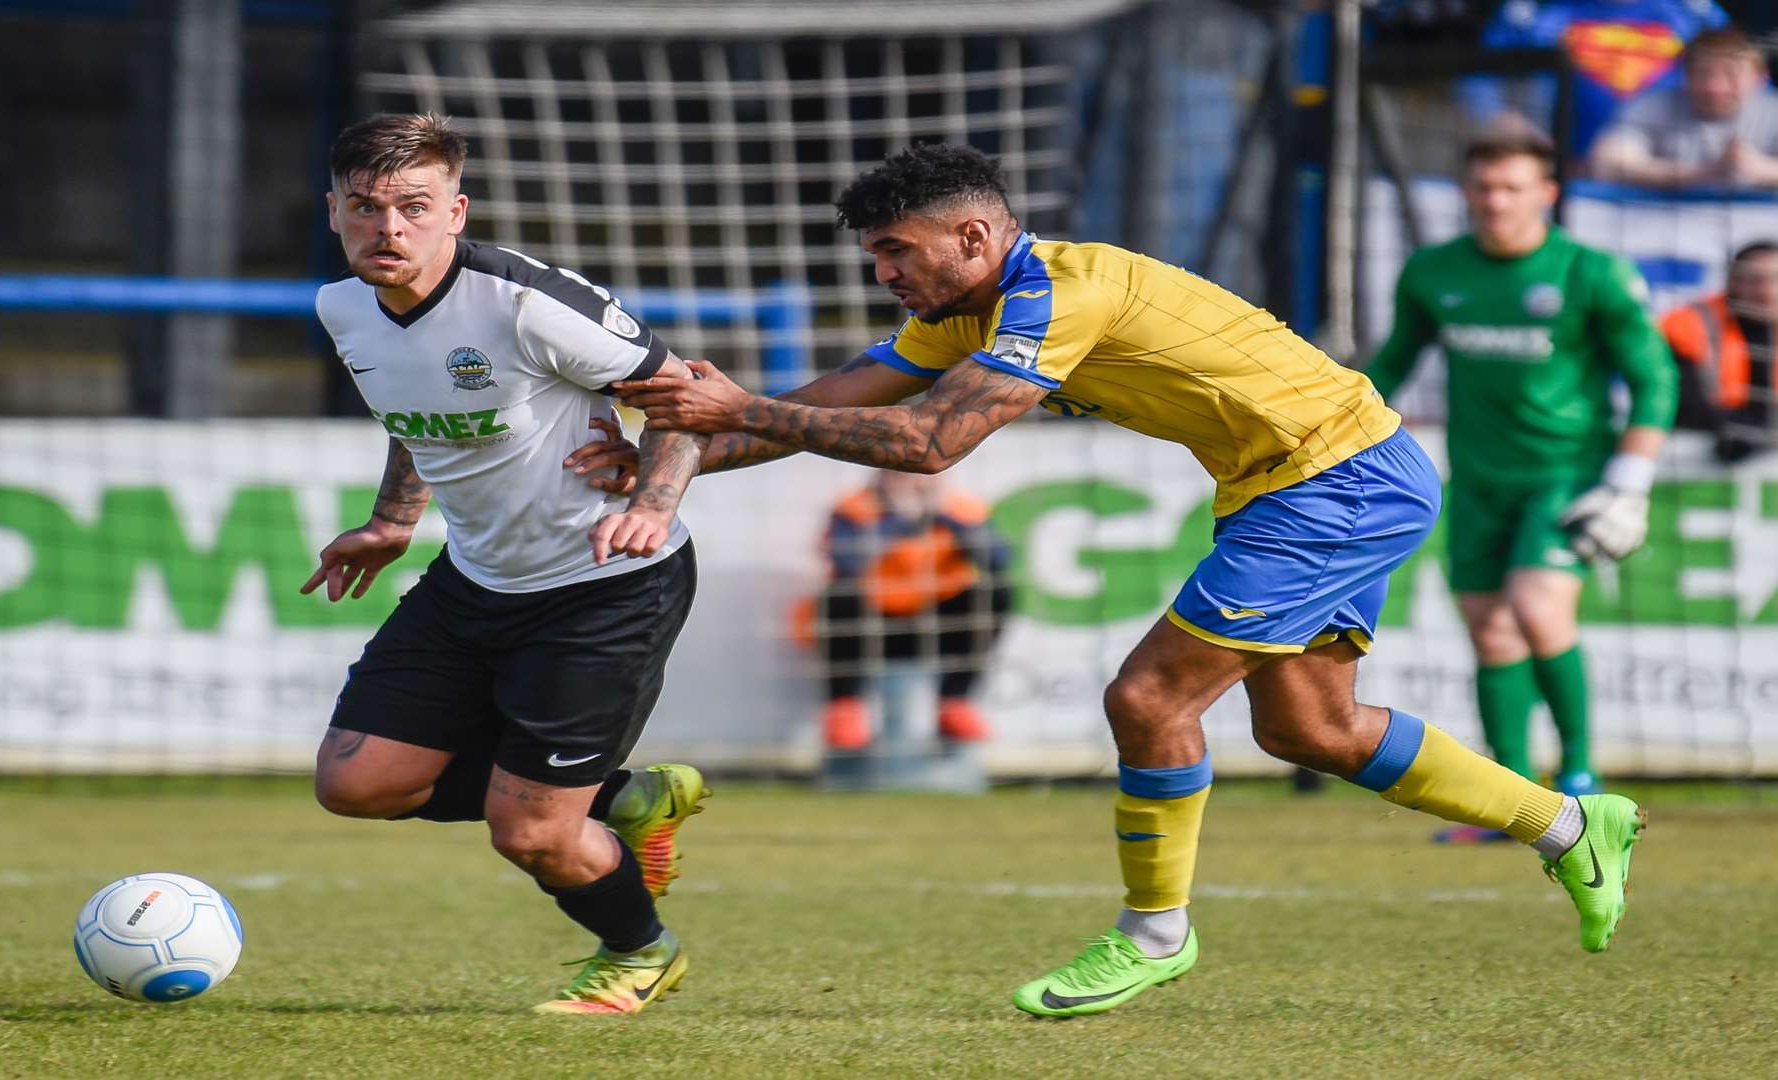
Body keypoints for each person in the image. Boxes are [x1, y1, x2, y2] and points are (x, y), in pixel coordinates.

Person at [603, 142, 1648, 1018]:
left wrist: (732, 411)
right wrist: (672, 451)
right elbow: (830, 400)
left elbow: (927, 444)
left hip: (1336, 478)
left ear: (973, 237)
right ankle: (1568, 826)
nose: (884, 273)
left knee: (1148, 698)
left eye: (895, 251)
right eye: (876, 256)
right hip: (1300, 478)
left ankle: (1153, 935)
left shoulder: (1059, 293)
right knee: (1309, 731)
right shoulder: (966, 310)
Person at [302, 113, 712, 1015]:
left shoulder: (524, 304)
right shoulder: (342, 307)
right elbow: (416, 413)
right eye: (367, 208)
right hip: (477, 578)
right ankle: (621, 798)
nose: (389, 229)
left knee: (529, 830)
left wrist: (650, 504)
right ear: (334, 212)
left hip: (604, 589)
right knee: (357, 782)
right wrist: (390, 520)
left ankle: (640, 951)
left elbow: (688, 395)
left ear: (458, 209)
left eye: (414, 206)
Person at [1366, 129, 1678, 821]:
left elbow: (1654, 377)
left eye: (1512, 188)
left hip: (1568, 474)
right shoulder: (1431, 271)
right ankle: (1513, 801)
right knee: (1490, 630)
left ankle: (1580, 783)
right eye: (1483, 187)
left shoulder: (1589, 272)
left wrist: (1630, 480)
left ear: (1547, 194)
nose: (1495, 202)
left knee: (1537, 611)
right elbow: (1391, 365)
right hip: (1477, 479)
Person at [815, 471, 1013, 750]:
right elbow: (847, 562)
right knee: (838, 596)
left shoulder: (962, 508)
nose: (912, 482)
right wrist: (899, 520)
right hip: (876, 626)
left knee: (996, 593)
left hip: (940, 623)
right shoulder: (854, 507)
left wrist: (943, 517)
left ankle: (955, 703)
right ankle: (844, 708)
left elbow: (998, 559)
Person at [1463, 0, 1731, 159]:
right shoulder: (1534, 13)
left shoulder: (1695, 14)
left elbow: (1748, 80)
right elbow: (1476, 78)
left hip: (1673, 177)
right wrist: (1501, 119)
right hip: (1562, 175)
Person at [1588, 28, 1778, 188]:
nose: (1715, 86)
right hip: (1659, 222)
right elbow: (1606, 163)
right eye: (1702, 73)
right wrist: (1703, 173)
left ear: (1759, 78)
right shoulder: (1651, 105)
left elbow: (1757, 170)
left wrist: (1760, 169)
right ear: (1685, 74)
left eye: (1731, 74)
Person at [1661, 240, 1778, 462]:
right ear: (1733, 281)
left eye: (1775, 279)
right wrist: (1751, 431)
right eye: (1756, 280)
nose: (1768, 291)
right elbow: (1683, 406)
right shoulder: (1689, 324)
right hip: (1694, 451)